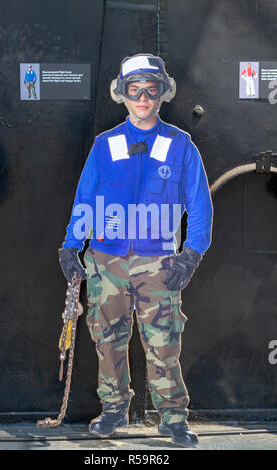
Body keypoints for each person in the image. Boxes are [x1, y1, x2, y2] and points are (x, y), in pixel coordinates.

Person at [59, 53, 213, 448]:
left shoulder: (181, 146)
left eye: (151, 89)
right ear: (121, 94)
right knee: (107, 338)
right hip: (106, 262)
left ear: (163, 93)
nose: (143, 98)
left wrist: (191, 253)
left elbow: (198, 206)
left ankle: (173, 417)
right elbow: (86, 200)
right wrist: (72, 245)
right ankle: (113, 410)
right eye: (134, 89)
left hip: (159, 262)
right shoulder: (104, 145)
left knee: (163, 341)